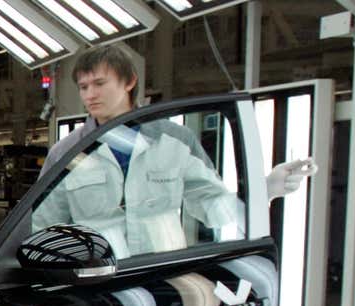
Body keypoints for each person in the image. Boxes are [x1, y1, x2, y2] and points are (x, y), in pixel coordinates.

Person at [34, 45, 315, 259]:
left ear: (129, 81)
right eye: (83, 87)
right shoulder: (67, 152)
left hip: (166, 277)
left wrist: (265, 189)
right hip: (97, 282)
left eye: (99, 84)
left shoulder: (175, 141)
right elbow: (43, 224)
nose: (89, 95)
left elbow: (210, 204)